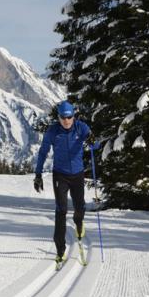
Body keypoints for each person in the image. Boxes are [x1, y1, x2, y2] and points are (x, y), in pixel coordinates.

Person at [34, 100, 91, 267]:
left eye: (69, 117)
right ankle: (60, 249)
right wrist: (38, 174)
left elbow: (95, 145)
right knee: (61, 210)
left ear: (74, 116)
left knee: (80, 207)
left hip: (78, 174)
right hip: (60, 175)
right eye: (63, 118)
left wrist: (93, 141)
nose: (66, 121)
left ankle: (79, 223)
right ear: (58, 117)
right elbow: (43, 152)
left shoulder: (81, 128)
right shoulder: (52, 131)